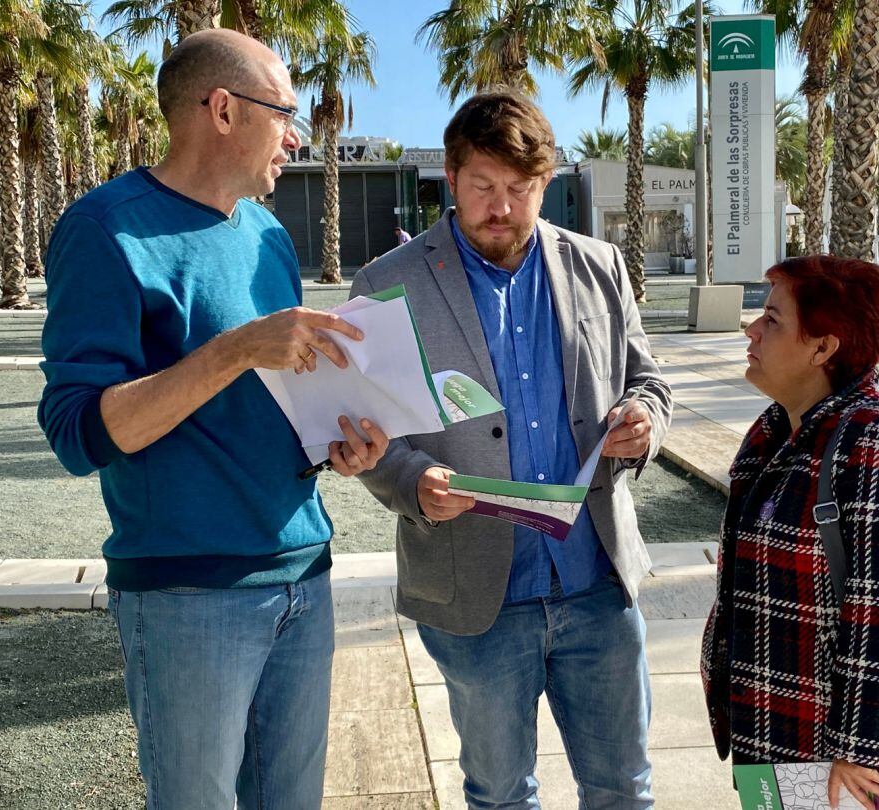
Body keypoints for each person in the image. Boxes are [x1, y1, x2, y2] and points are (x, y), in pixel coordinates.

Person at [37, 29, 389, 809]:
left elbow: (267, 398)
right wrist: (233, 350)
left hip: (306, 575)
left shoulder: (264, 231)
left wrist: (338, 443)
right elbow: (77, 433)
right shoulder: (104, 231)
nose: (297, 136)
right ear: (223, 109)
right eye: (285, 112)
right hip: (186, 598)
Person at [351, 91, 672, 808]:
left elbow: (647, 378)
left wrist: (644, 420)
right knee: (498, 794)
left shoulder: (600, 265)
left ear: (545, 183)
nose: (502, 207)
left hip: (597, 582)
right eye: (483, 188)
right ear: (452, 178)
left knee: (625, 787)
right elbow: (368, 433)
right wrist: (412, 482)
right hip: (477, 595)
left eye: (521, 189)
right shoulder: (387, 285)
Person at [700, 255, 879, 809]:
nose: (751, 329)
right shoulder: (775, 432)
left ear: (823, 348)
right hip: (773, 729)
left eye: (771, 319)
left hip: (847, 755)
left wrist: (859, 755)